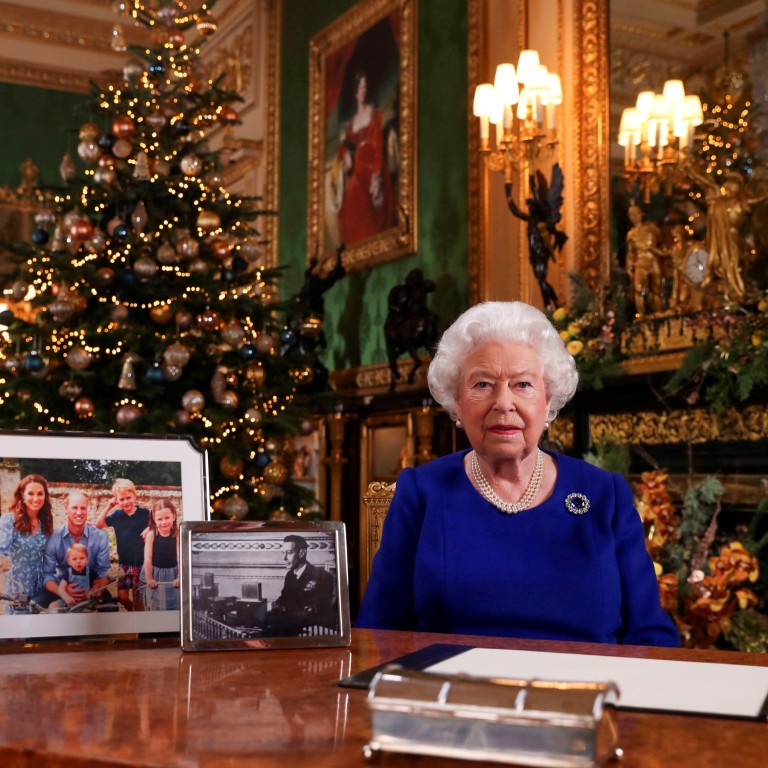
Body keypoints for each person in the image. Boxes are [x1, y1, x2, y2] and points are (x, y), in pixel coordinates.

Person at [356, 301, 680, 647]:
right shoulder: (422, 492)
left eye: (522, 384)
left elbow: (649, 631)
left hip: (585, 695)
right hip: (455, 693)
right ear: (457, 400)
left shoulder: (604, 493)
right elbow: (379, 632)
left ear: (548, 397)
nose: (503, 403)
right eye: (482, 384)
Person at [337, 70, 396, 244]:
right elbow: (344, 144)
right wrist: (345, 154)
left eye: (365, 87)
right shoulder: (351, 124)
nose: (362, 91)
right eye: (359, 87)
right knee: (352, 198)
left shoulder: (374, 114)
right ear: (355, 92)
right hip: (359, 169)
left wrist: (376, 175)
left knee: (364, 195)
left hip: (373, 168)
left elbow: (378, 145)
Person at [37, 490, 112, 609]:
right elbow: (47, 575)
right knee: (35, 606)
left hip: (90, 588)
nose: (79, 512)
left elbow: (104, 572)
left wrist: (93, 592)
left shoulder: (100, 536)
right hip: (60, 586)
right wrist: (63, 592)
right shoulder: (53, 537)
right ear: (66, 508)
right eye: (74, 508)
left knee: (112, 609)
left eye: (83, 508)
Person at [0, 474, 54, 611]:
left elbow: (52, 553)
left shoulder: (45, 523)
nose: (36, 498)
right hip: (17, 585)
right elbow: (1, 550)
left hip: (40, 584)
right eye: (30, 493)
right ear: (22, 495)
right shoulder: (9, 521)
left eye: (40, 494)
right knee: (19, 626)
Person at [95, 478, 150, 611]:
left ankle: (138, 619)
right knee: (122, 597)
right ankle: (132, 612)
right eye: (121, 499)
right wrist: (109, 506)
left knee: (139, 597)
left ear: (135, 496)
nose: (125, 502)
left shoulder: (144, 513)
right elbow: (98, 525)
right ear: (117, 500)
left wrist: (150, 529)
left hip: (140, 563)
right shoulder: (117, 515)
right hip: (124, 564)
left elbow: (156, 525)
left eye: (128, 498)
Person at [264, 534, 336, 635]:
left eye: (288, 553)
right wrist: (273, 605)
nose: (284, 558)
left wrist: (284, 609)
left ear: (302, 553)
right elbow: (284, 597)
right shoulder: (290, 575)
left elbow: (318, 610)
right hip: (290, 623)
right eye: (283, 553)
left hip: (309, 628)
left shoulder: (321, 576)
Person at [139, 500, 179, 611]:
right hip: (154, 573)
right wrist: (149, 579)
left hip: (172, 574)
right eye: (159, 519)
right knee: (154, 605)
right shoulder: (151, 535)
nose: (164, 522)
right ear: (154, 520)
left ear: (174, 517)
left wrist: (180, 577)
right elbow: (147, 558)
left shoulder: (178, 534)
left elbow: (180, 557)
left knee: (173, 605)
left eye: (167, 518)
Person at [625, 204, 664, 316]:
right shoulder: (631, 234)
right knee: (638, 289)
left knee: (657, 289)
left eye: (636, 213)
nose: (634, 217)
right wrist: (629, 267)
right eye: (631, 215)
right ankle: (641, 315)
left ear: (642, 214)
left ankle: (659, 315)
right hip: (640, 262)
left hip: (654, 260)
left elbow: (661, 244)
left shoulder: (653, 229)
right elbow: (630, 252)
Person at [51, 543, 92, 609]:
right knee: (53, 606)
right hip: (70, 601)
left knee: (94, 611)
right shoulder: (68, 572)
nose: (78, 561)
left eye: (82, 558)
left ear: (87, 559)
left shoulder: (90, 572)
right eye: (74, 559)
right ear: (69, 561)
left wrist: (91, 592)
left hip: (85, 602)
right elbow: (61, 588)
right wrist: (67, 597)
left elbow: (97, 584)